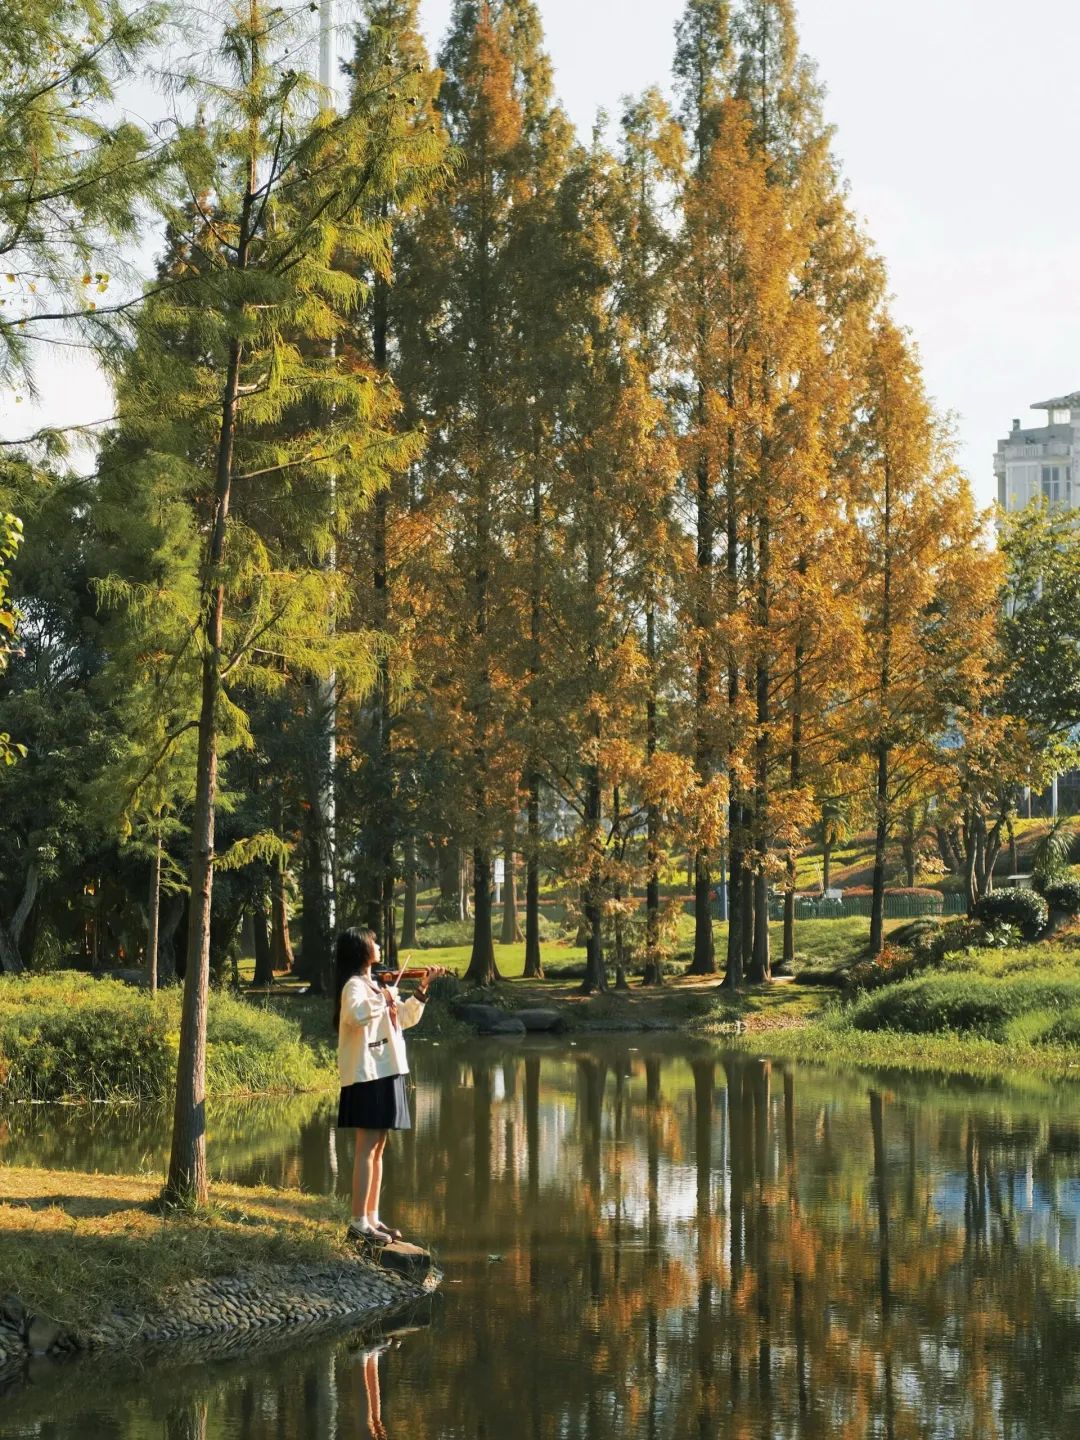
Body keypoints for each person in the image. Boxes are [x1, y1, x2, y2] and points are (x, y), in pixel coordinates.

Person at [333, 927, 443, 1245]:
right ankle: (357, 1222)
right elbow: (355, 1015)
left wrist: (421, 990)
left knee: (379, 1149)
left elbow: (403, 1020)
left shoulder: (377, 986)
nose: (379, 945)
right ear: (361, 950)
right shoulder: (355, 986)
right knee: (367, 1148)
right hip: (367, 1073)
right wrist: (384, 996)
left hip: (388, 1071)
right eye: (374, 941)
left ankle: (372, 1218)